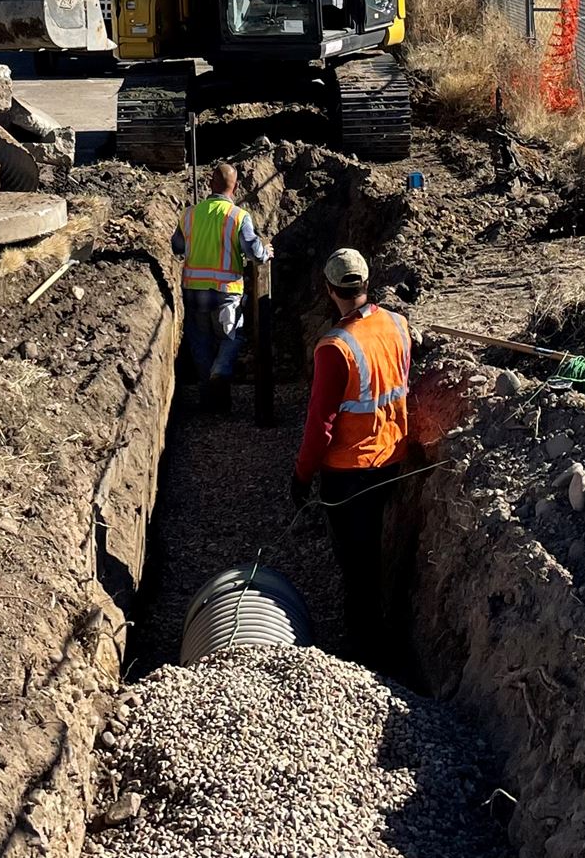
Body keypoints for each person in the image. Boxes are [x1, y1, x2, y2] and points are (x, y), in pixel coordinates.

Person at [291, 247, 411, 669]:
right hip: (392, 458)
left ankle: (363, 655)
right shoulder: (398, 324)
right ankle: (377, 633)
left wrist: (302, 476)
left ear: (329, 289)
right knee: (372, 553)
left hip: (349, 473)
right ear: (366, 282)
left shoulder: (334, 347)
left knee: (357, 565)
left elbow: (320, 424)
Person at [172, 161, 270, 411]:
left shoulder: (190, 214)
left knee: (201, 343)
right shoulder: (238, 216)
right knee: (232, 336)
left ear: (209, 184)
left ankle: (211, 402)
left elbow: (177, 247)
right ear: (235, 187)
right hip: (226, 291)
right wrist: (266, 251)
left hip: (194, 291)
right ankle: (221, 369)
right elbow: (254, 252)